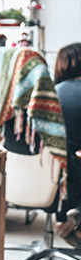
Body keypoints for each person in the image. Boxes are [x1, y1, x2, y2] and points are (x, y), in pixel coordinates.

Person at [54, 42, 81, 248]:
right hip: (71, 173)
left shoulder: (51, 93)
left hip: (47, 174)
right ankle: (74, 219)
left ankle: (69, 219)